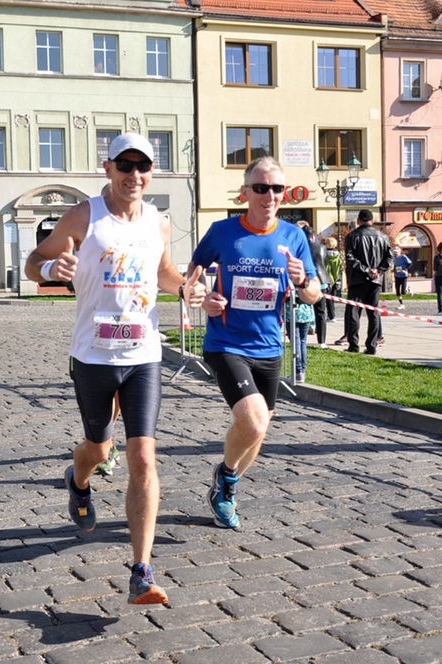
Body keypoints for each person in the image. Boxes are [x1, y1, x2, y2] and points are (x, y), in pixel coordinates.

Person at [24, 132, 205, 605]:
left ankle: (142, 571)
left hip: (144, 354)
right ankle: (78, 480)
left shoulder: (158, 222)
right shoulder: (84, 216)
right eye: (125, 165)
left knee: (143, 457)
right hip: (93, 356)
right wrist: (51, 271)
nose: (134, 175)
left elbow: (162, 271)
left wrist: (183, 288)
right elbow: (33, 262)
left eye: (142, 166)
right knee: (99, 449)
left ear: (151, 172)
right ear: (108, 168)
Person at [188, 156, 320, 529]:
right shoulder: (222, 231)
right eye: (261, 188)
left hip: (270, 348)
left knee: (257, 432)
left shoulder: (293, 236)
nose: (269, 195)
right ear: (245, 192)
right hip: (226, 343)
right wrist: (204, 296)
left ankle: (225, 488)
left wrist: (302, 281)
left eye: (277, 188)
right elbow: (194, 275)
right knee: (255, 423)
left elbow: (313, 294)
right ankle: (226, 477)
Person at [343, 209, 391, 354]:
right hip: (375, 280)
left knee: (353, 313)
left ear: (358, 221)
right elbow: (389, 258)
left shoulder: (352, 236)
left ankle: (353, 345)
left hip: (357, 279)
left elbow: (350, 258)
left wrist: (366, 270)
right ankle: (371, 346)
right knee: (373, 313)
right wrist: (378, 271)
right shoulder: (383, 237)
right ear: (372, 221)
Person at [303, 225, 329, 349]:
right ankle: (321, 341)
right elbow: (325, 263)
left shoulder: (301, 249)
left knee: (304, 308)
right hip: (321, 280)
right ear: (313, 236)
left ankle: (303, 337)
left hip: (307, 282)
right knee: (321, 312)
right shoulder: (322, 247)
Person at [285, 288, 315, 383]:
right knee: (302, 342)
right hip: (306, 312)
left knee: (296, 342)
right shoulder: (308, 281)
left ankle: (298, 371)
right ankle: (302, 371)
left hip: (293, 312)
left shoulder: (291, 281)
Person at [324, 236, 342, 323]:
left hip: (327, 278)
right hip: (335, 278)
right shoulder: (338, 255)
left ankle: (330, 316)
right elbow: (340, 267)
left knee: (327, 298)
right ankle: (332, 315)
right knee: (332, 297)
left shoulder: (324, 255)